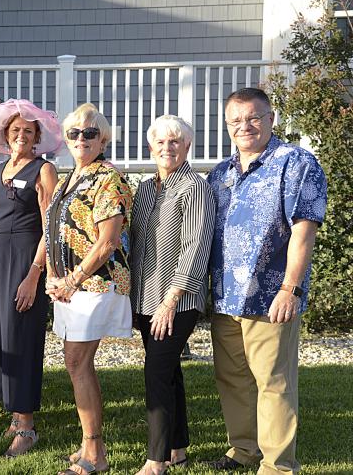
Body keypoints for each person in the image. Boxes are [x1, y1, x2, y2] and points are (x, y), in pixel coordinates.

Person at [207, 88, 326, 474]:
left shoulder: (295, 162)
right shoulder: (219, 174)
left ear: (271, 118)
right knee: (233, 380)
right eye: (236, 121)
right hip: (226, 298)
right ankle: (243, 450)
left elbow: (303, 231)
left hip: (270, 296)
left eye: (254, 117)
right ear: (227, 127)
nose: (245, 126)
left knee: (273, 383)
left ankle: (277, 465)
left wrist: (291, 288)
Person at [44, 103, 133, 475]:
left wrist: (72, 279)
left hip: (95, 283)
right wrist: (52, 275)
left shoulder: (108, 179)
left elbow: (107, 242)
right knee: (77, 365)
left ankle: (95, 455)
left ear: (104, 139)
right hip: (68, 286)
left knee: (78, 363)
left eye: (90, 133)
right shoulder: (68, 178)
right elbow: (53, 232)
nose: (81, 138)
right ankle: (88, 444)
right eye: (74, 133)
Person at [0, 98, 61, 457]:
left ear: (36, 136)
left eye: (28, 130)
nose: (21, 135)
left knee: (22, 338)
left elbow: (50, 225)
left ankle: (27, 426)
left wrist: (34, 274)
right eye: (15, 130)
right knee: (0, 334)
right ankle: (14, 412)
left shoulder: (44, 170)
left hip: (26, 258)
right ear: (5, 136)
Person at [129, 115, 215, 475]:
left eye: (175, 141)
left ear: (187, 146)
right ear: (151, 147)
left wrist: (170, 300)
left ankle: (156, 459)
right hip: (146, 298)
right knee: (169, 371)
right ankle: (178, 448)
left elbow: (196, 247)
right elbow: (133, 242)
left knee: (157, 371)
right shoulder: (146, 189)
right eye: (161, 142)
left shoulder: (195, 188)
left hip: (176, 301)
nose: (168, 148)